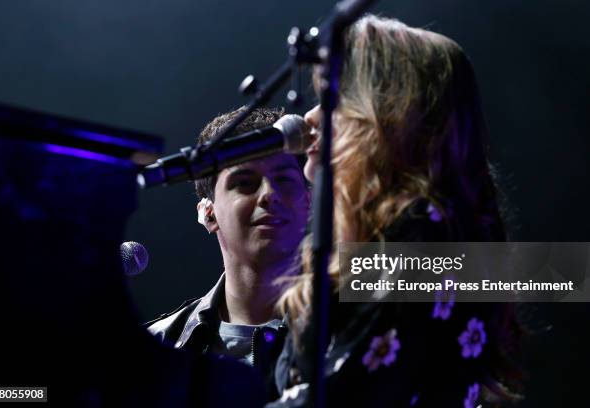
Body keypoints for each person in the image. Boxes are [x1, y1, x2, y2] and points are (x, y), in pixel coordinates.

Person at [269, 16, 523, 407]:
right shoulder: (372, 246)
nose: (310, 118)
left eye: (333, 101)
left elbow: (340, 395)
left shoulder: (424, 235)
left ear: (392, 115)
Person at [146, 107, 310, 398]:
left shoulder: (362, 297)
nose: (269, 194)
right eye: (245, 183)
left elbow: (417, 265)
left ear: (309, 202)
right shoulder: (158, 346)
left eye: (284, 180)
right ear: (208, 214)